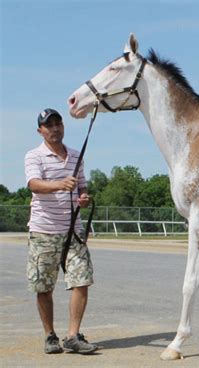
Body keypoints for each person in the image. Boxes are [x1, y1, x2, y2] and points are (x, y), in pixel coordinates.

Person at [24, 108, 97, 354]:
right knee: (44, 286)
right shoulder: (34, 156)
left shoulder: (76, 156)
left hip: (73, 230)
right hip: (44, 231)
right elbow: (34, 184)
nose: (54, 129)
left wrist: (83, 198)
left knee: (82, 280)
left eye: (58, 124)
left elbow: (82, 187)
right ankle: (50, 335)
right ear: (40, 131)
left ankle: (73, 335)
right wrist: (60, 184)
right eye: (49, 125)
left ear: (63, 126)